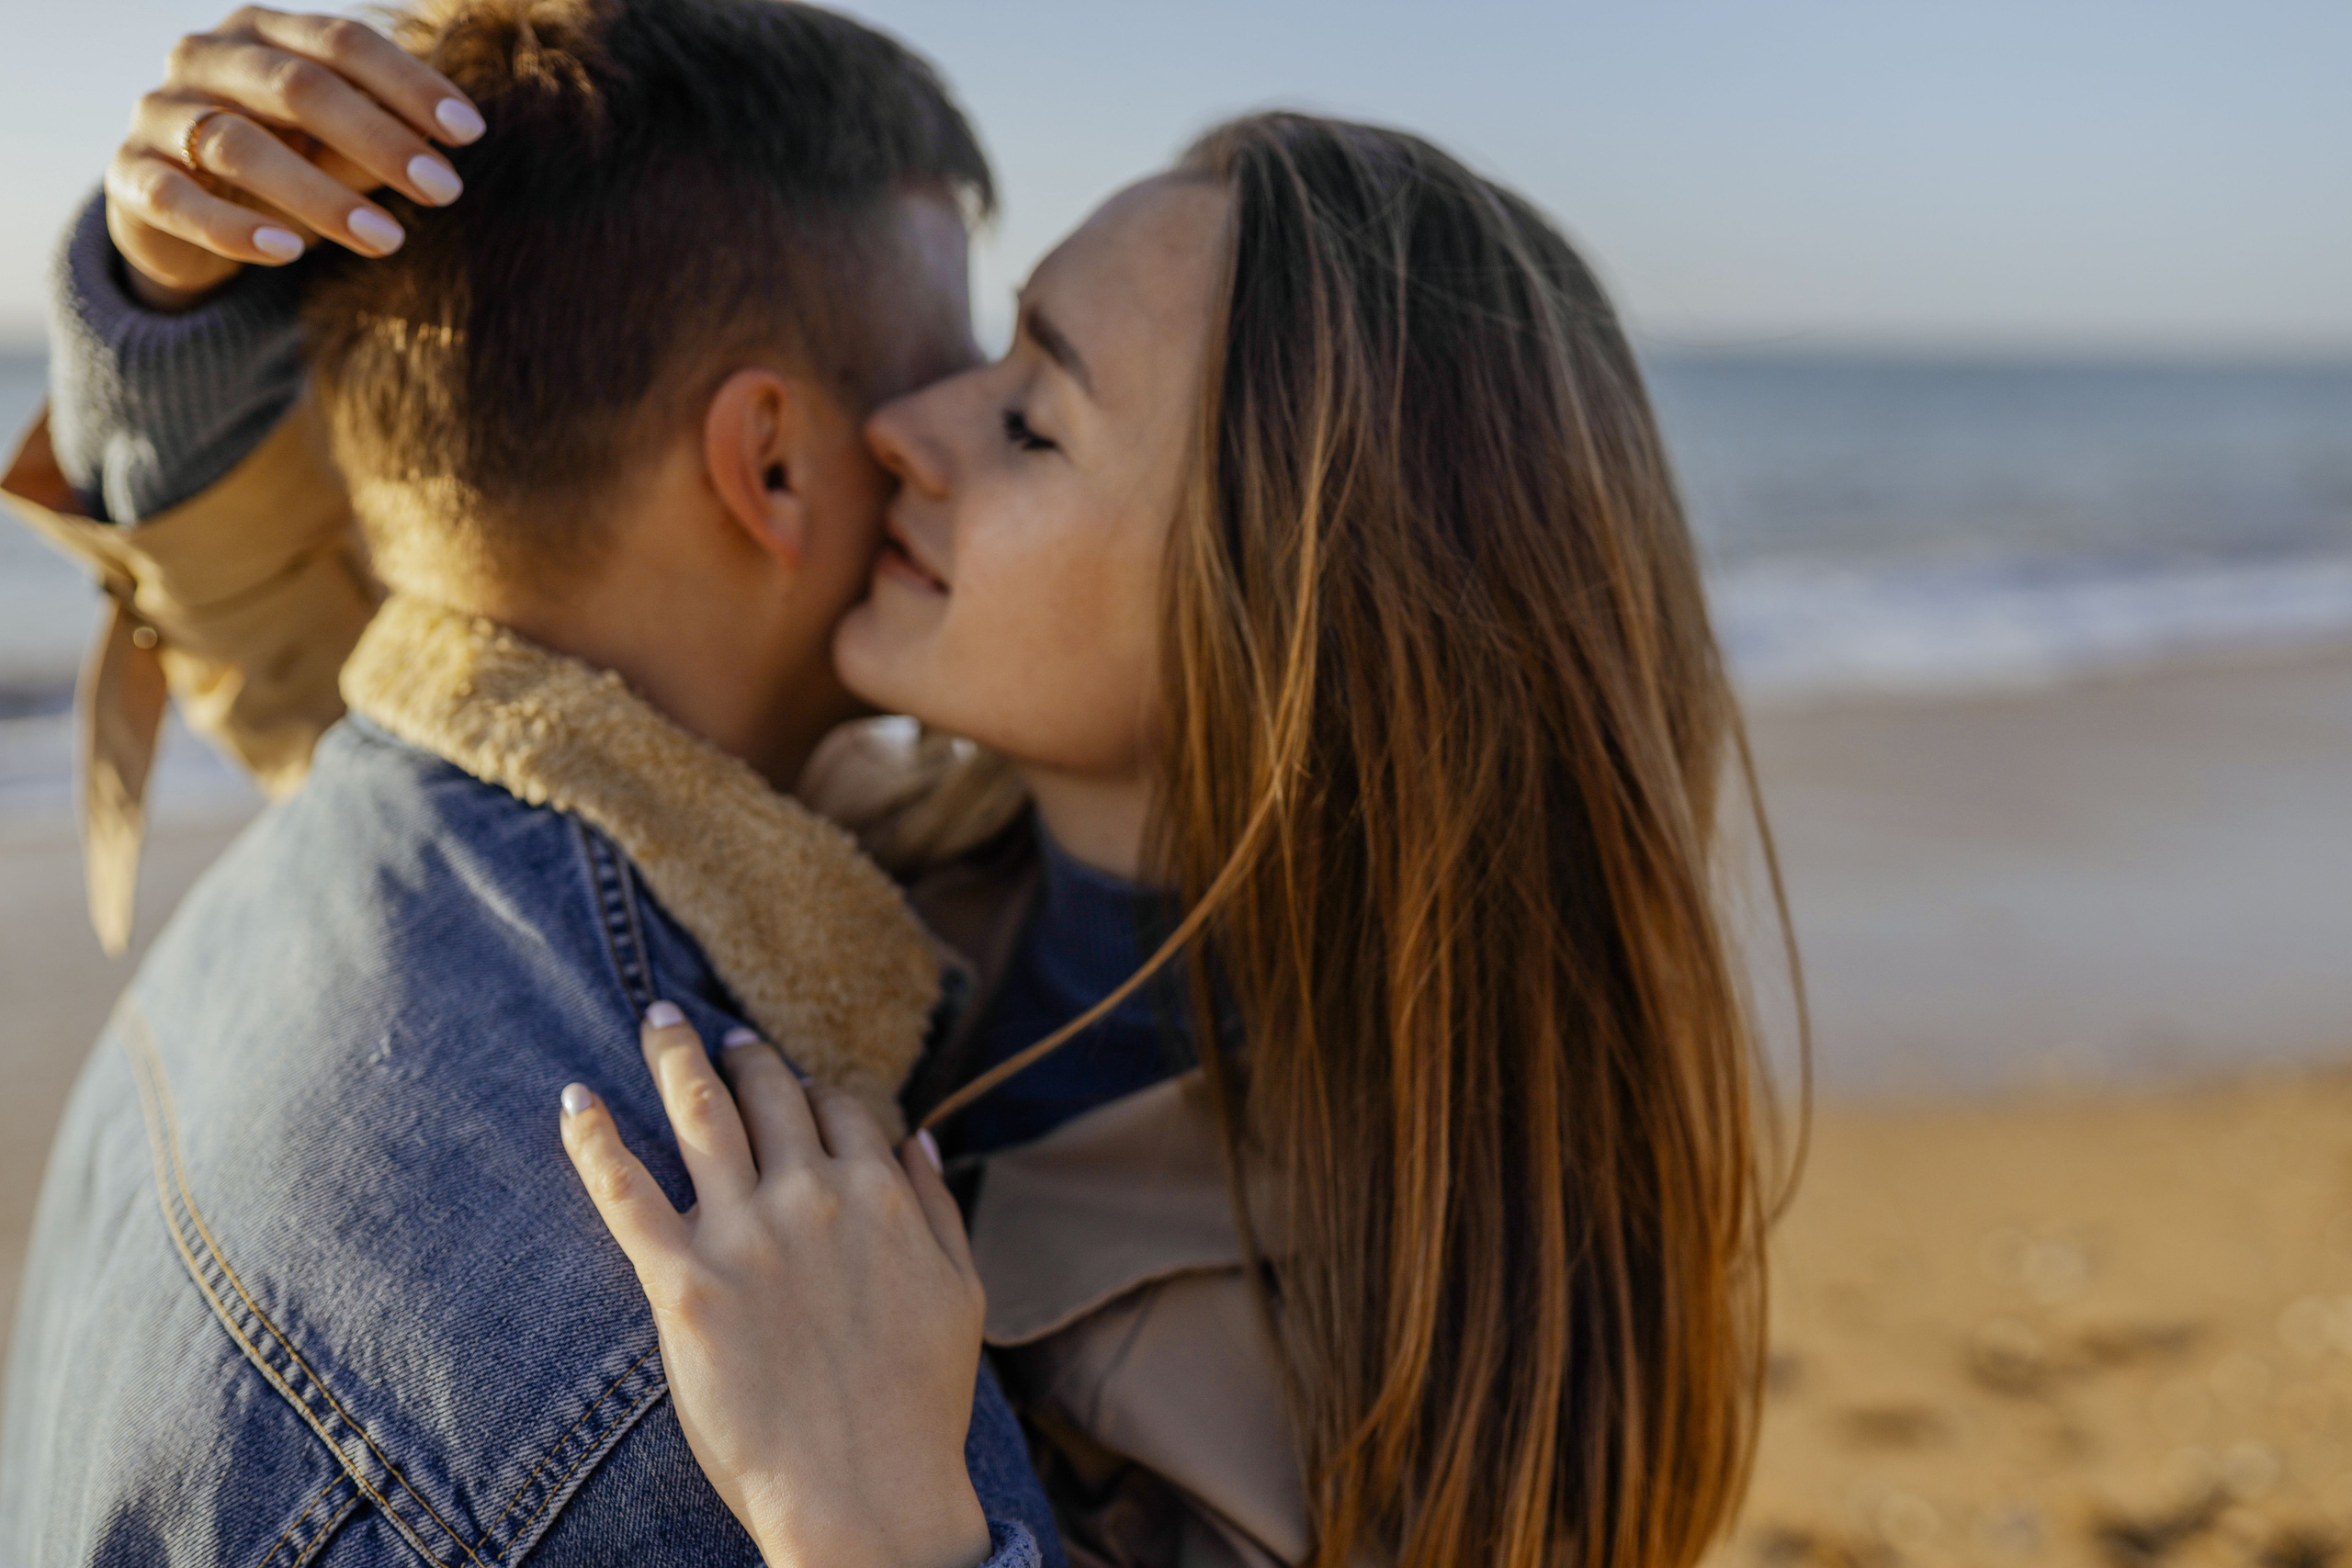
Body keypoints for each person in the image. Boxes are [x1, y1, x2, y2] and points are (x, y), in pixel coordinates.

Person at [6, 14, 1798, 1568]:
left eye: (1025, 418)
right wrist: (178, 297)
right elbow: (454, 715)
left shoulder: (1389, 1289)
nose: (906, 429)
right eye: (992, 352)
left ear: (1295, 628)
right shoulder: (869, 861)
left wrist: (882, 1524)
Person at [0, 4, 1060, 1565]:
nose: (954, 438)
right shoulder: (779, 1375)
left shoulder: (294, 900)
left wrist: (163, 321)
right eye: (946, 374)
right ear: (768, 464)